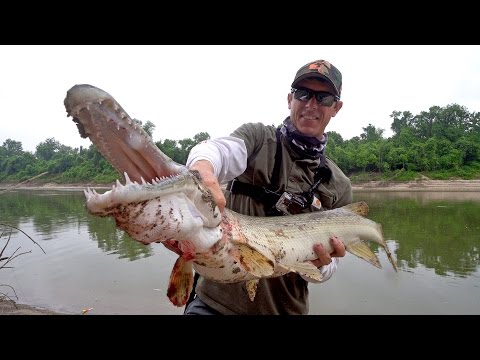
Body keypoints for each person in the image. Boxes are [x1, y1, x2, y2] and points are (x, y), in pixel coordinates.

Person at [180, 59, 352, 315]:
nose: (311, 104)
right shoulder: (259, 140)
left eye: (324, 97)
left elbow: (327, 271)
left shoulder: (338, 184)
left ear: (336, 107)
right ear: (289, 98)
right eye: (303, 94)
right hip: (216, 304)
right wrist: (203, 170)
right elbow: (216, 151)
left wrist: (321, 265)